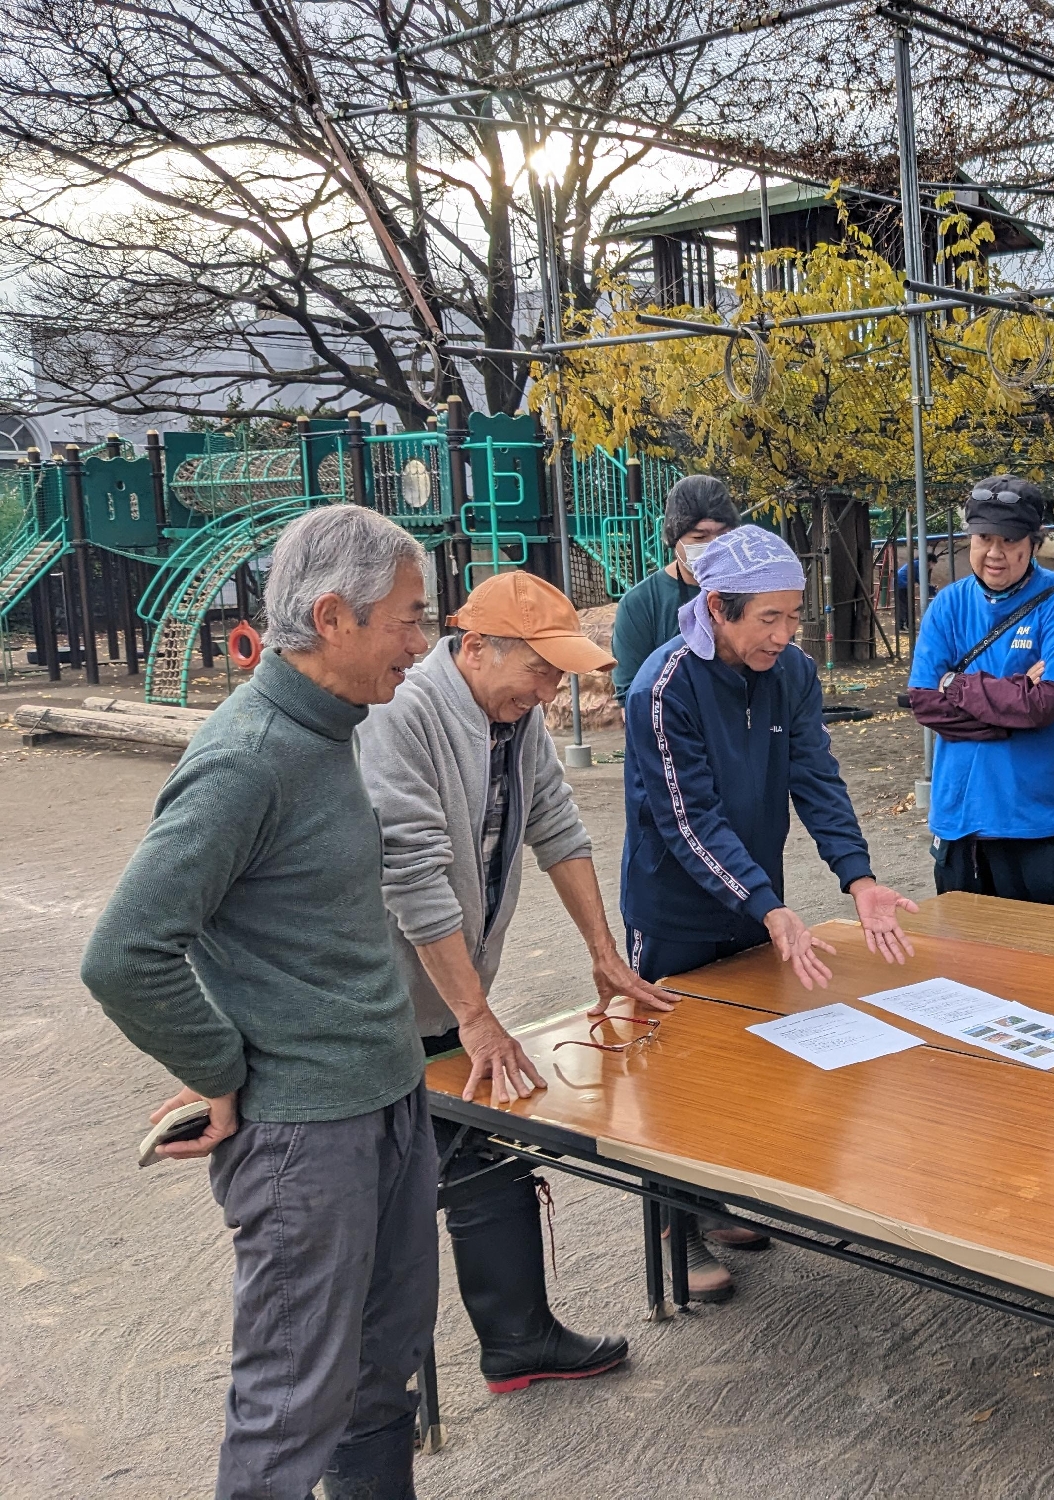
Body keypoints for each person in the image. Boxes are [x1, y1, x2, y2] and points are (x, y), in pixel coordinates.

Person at [80, 505, 435, 1500]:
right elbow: (124, 953)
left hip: (386, 1097)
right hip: (303, 1137)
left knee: (380, 1372)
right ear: (334, 617)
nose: (422, 641)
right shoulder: (249, 758)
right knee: (290, 1410)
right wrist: (219, 1071)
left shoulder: (331, 728)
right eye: (408, 619)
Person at [356, 569, 679, 1394]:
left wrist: (605, 953)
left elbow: (556, 825)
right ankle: (374, 1392)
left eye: (556, 676)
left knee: (481, 1146)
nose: (548, 692)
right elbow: (414, 878)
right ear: (475, 650)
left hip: (447, 982)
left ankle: (518, 1339)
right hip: (380, 994)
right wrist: (475, 1013)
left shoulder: (513, 715)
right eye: (538, 671)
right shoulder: (404, 713)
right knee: (383, 1188)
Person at [622, 523, 921, 1298]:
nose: (787, 635)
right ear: (717, 607)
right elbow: (690, 820)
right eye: (770, 620)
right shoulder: (663, 688)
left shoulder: (791, 672)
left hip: (754, 906)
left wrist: (858, 878)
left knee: (745, 1059)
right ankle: (675, 1227)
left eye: (795, 616)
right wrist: (768, 904)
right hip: (678, 904)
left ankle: (715, 1198)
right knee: (677, 1070)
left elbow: (815, 776)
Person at [907, 475, 1054, 906]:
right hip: (959, 815)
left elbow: (1044, 707)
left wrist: (956, 684)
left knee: (1049, 961)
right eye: (983, 538)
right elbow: (924, 703)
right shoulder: (947, 604)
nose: (994, 553)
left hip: (1036, 817)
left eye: (1009, 540)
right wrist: (1013, 700)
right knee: (964, 960)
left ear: (1032, 543)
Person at [611, 473, 740, 697]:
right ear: (674, 538)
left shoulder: (752, 590)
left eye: (723, 536)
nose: (713, 546)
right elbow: (633, 699)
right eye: (699, 538)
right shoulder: (639, 604)